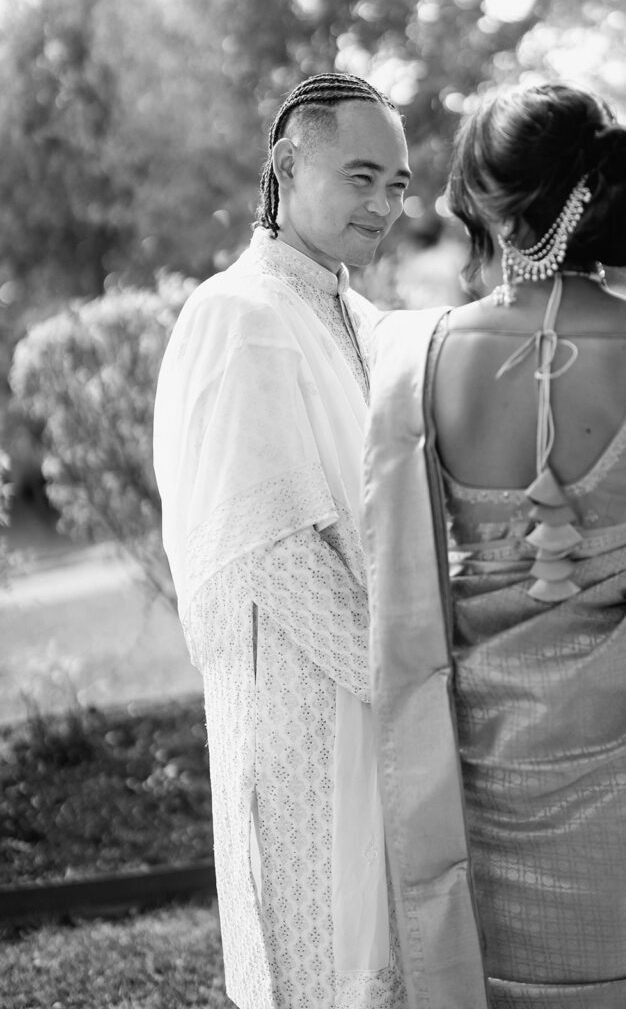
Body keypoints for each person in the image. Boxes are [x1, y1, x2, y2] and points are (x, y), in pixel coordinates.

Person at [363, 83, 626, 1009]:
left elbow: (398, 559)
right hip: (618, 734)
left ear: (494, 208)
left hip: (466, 743)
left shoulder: (420, 353)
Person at [153, 72, 411, 1009]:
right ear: (285, 165)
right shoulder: (239, 314)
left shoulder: (362, 319)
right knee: (316, 971)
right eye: (360, 177)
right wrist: (406, 682)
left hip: (379, 699)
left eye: (398, 184)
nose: (383, 204)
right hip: (299, 704)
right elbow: (267, 549)